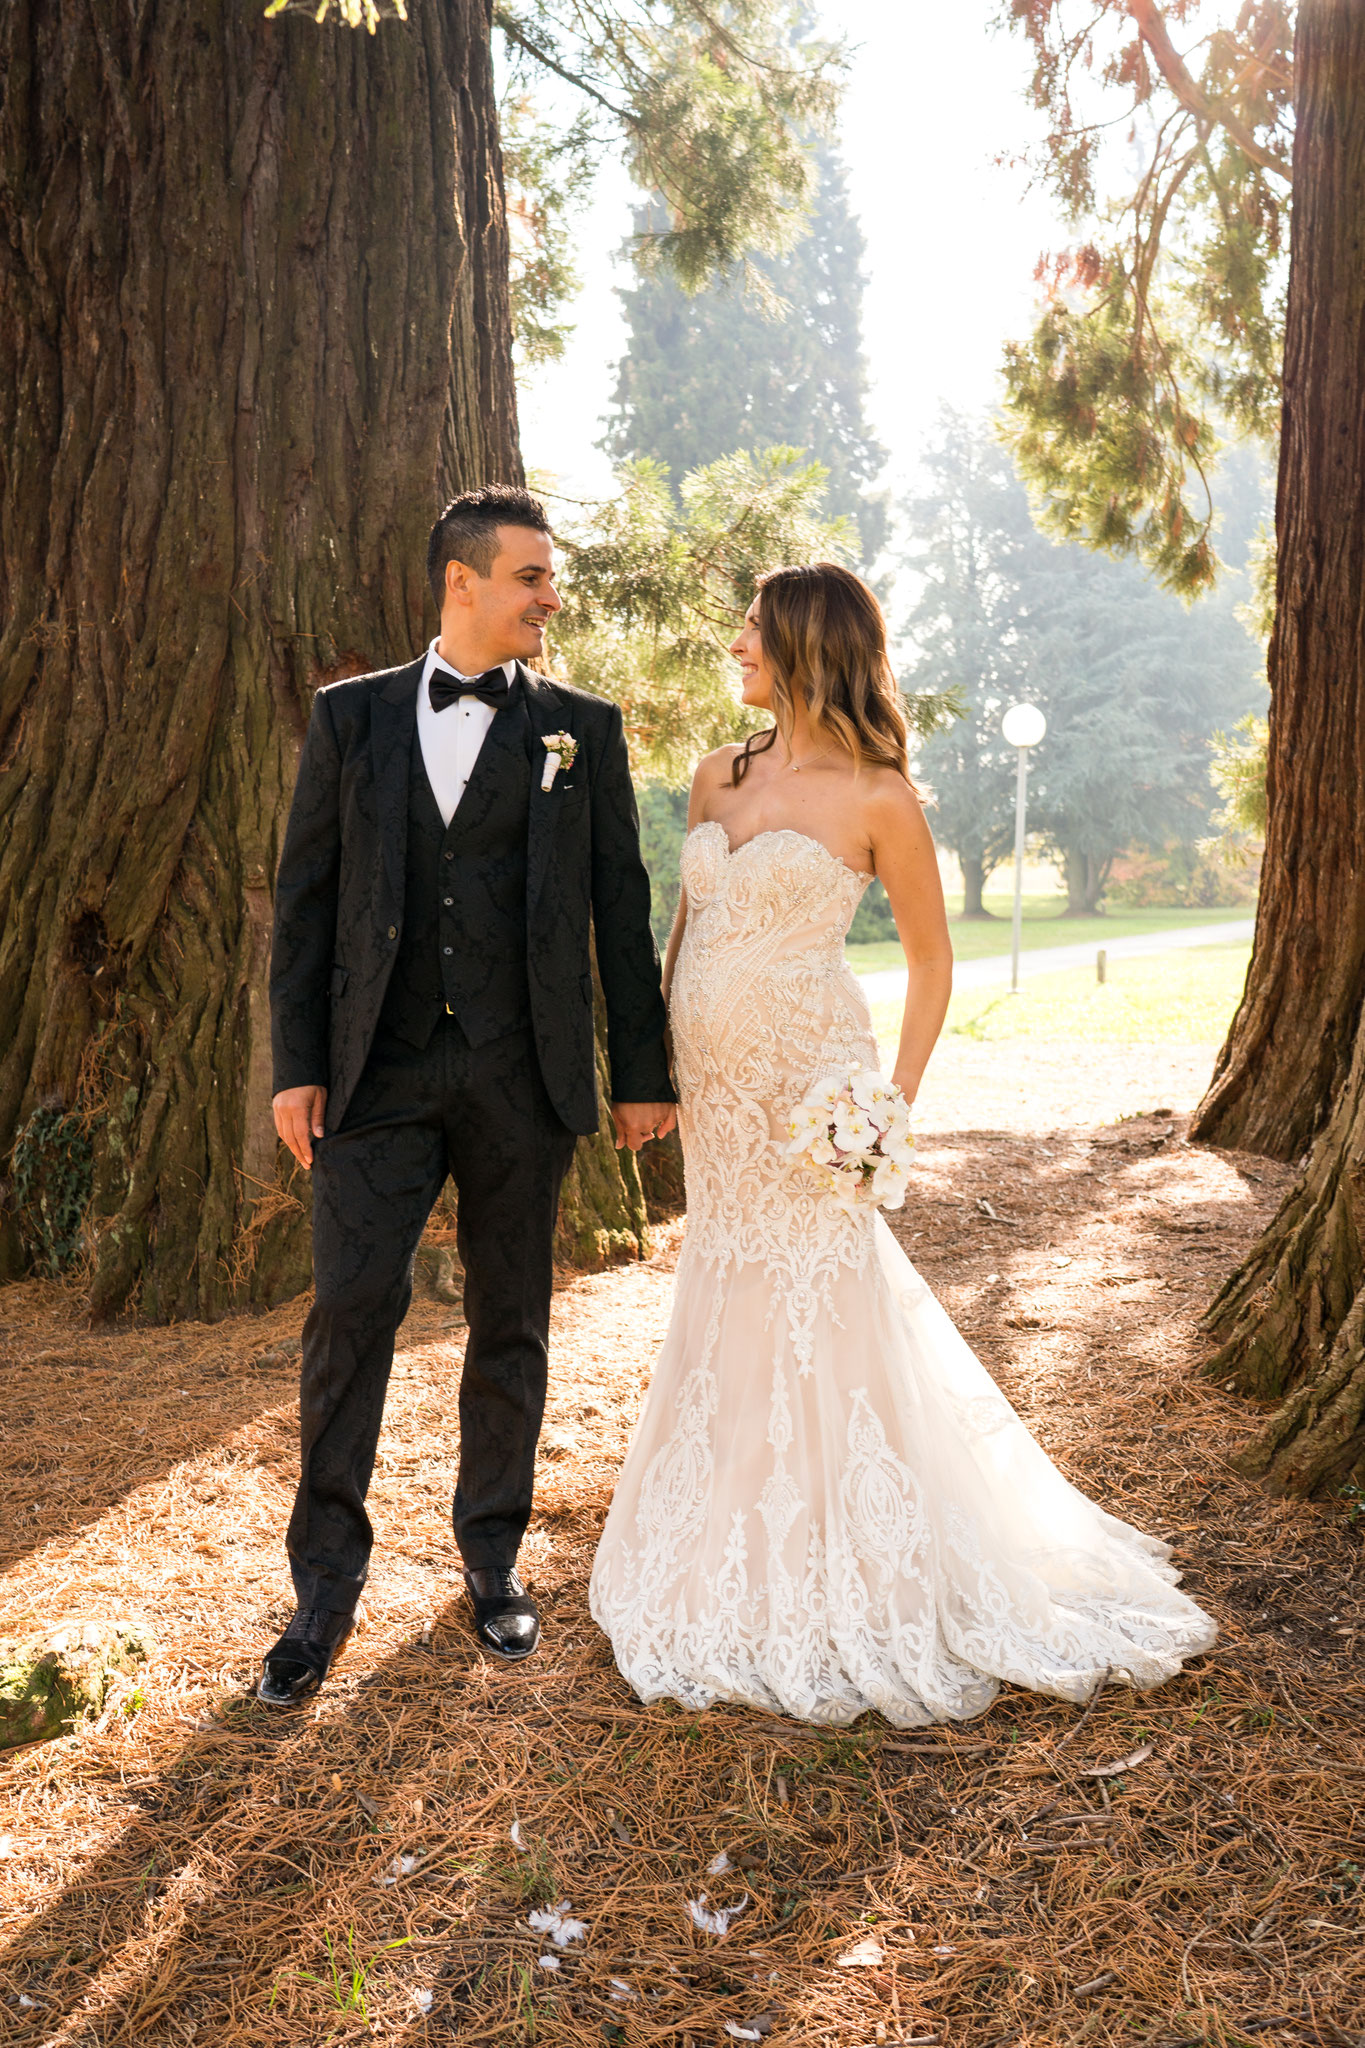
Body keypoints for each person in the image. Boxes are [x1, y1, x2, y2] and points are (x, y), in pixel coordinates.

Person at [590, 562, 1215, 1726]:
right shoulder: (713, 774)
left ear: (803, 646)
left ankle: (853, 1539)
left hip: (813, 1085)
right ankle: (724, 1514)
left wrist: (888, 1103)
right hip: (717, 1099)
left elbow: (934, 962)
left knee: (824, 1289)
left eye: (751, 634)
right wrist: (663, 1063)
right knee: (726, 1280)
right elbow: (690, 923)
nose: (736, 649)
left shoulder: (881, 796)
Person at [262, 485, 675, 1705]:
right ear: (463, 582)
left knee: (512, 1320)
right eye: (533, 577)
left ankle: (491, 1561)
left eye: (551, 578)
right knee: (349, 1314)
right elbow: (307, 904)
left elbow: (620, 903)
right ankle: (322, 1588)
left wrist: (641, 1075)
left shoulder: (580, 731)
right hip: (376, 1074)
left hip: (521, 1073)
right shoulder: (353, 718)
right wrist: (298, 1063)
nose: (553, 596)